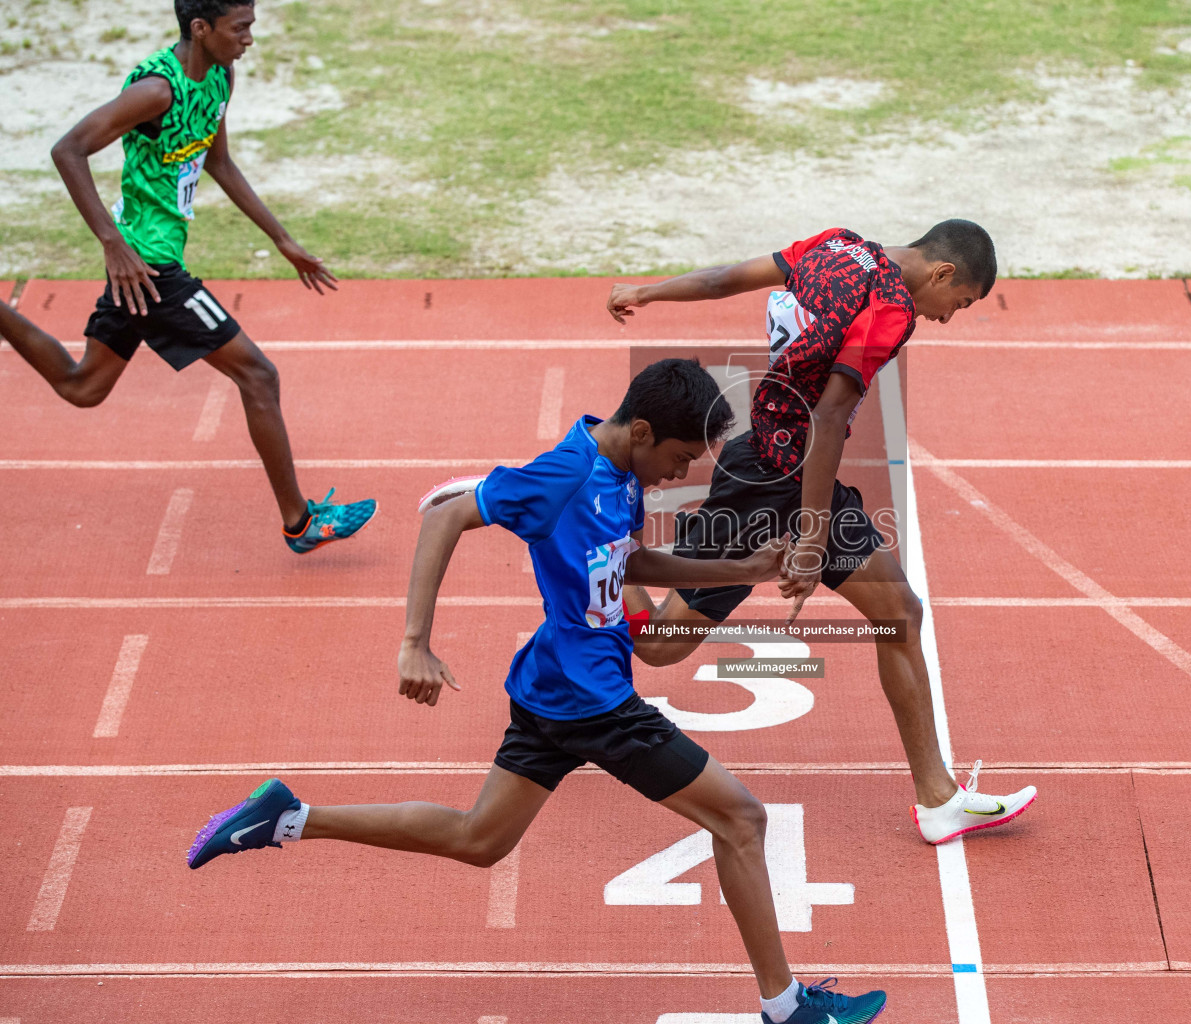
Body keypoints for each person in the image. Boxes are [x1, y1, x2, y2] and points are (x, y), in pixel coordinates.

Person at [186, 359, 889, 1024]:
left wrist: (744, 566)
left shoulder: (621, 470)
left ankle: (288, 817)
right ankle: (788, 1008)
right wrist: (415, 642)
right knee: (741, 820)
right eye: (680, 457)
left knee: (479, 838)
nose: (683, 472)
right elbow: (444, 516)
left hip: (552, 685)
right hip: (594, 700)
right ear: (642, 432)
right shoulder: (566, 473)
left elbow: (628, 557)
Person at [606, 221, 1036, 845]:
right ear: (943, 274)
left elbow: (726, 279)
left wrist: (647, 291)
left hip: (799, 472)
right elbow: (829, 414)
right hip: (769, 479)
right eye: (959, 304)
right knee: (660, 646)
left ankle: (938, 799)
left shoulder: (835, 245)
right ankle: (611, 550)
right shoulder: (890, 310)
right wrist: (811, 538)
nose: (947, 317)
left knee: (900, 612)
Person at [0, 0, 374, 552]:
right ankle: (299, 521)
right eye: (239, 27)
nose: (249, 38)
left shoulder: (220, 76)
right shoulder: (156, 91)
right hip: (150, 269)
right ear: (201, 28)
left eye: (251, 25)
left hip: (145, 265)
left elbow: (219, 162)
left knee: (84, 386)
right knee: (259, 376)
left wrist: (281, 239)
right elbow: (68, 149)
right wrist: (113, 244)